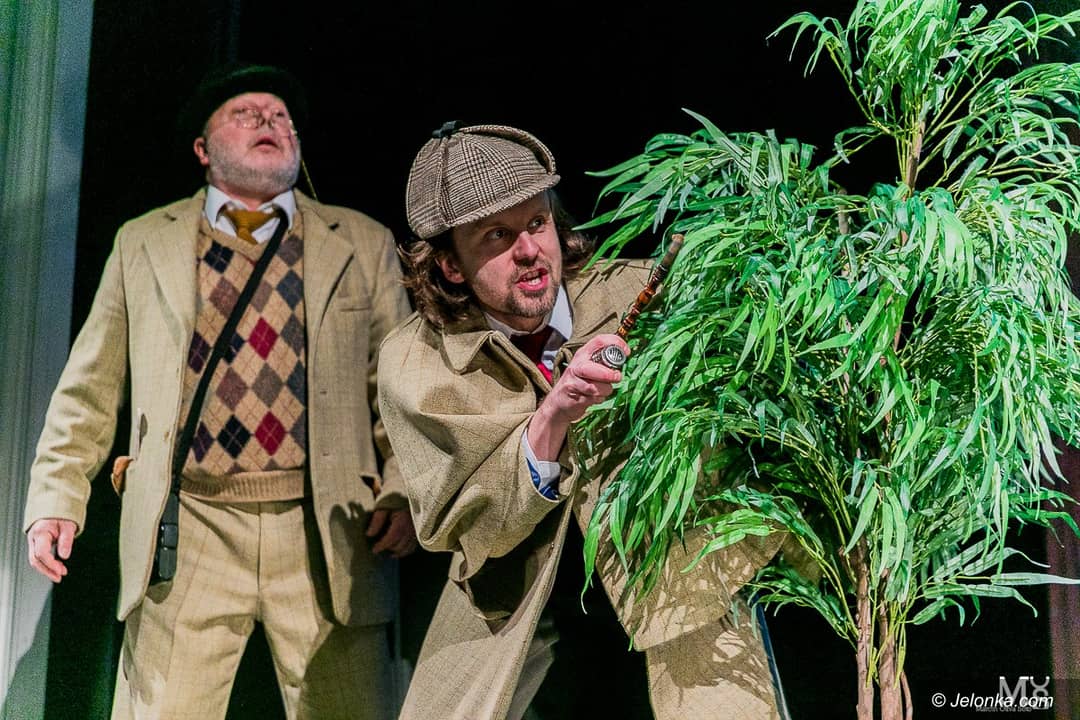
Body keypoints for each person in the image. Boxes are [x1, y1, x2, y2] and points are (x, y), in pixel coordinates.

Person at [23, 63, 416, 719]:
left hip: (327, 530)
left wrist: (404, 486)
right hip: (190, 526)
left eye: (281, 116)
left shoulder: (361, 241)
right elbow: (89, 386)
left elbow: (400, 388)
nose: (269, 122)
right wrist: (56, 498)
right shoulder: (143, 241)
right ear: (203, 149)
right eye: (246, 113)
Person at [378, 123, 788, 720]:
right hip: (517, 606)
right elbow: (465, 528)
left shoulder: (641, 293)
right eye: (497, 235)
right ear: (451, 265)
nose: (529, 251)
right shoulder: (418, 363)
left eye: (537, 223)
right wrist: (553, 417)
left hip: (678, 587)